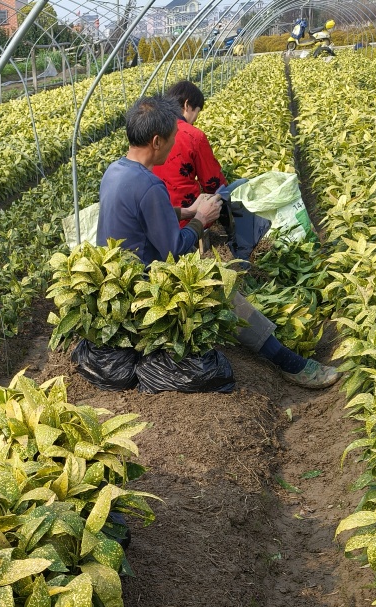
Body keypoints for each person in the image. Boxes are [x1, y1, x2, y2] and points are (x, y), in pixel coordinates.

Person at [96, 95, 340, 390]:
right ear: (157, 141)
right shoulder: (149, 184)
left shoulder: (116, 171)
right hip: (144, 285)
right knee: (224, 291)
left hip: (118, 279)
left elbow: (142, 215)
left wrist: (185, 211)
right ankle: (289, 363)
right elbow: (176, 248)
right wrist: (202, 220)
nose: (175, 146)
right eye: (173, 139)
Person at [152, 79, 227, 226]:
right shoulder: (193, 135)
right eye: (197, 111)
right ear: (187, 105)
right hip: (187, 218)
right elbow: (212, 183)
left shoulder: (150, 128)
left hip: (153, 215)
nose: (196, 118)